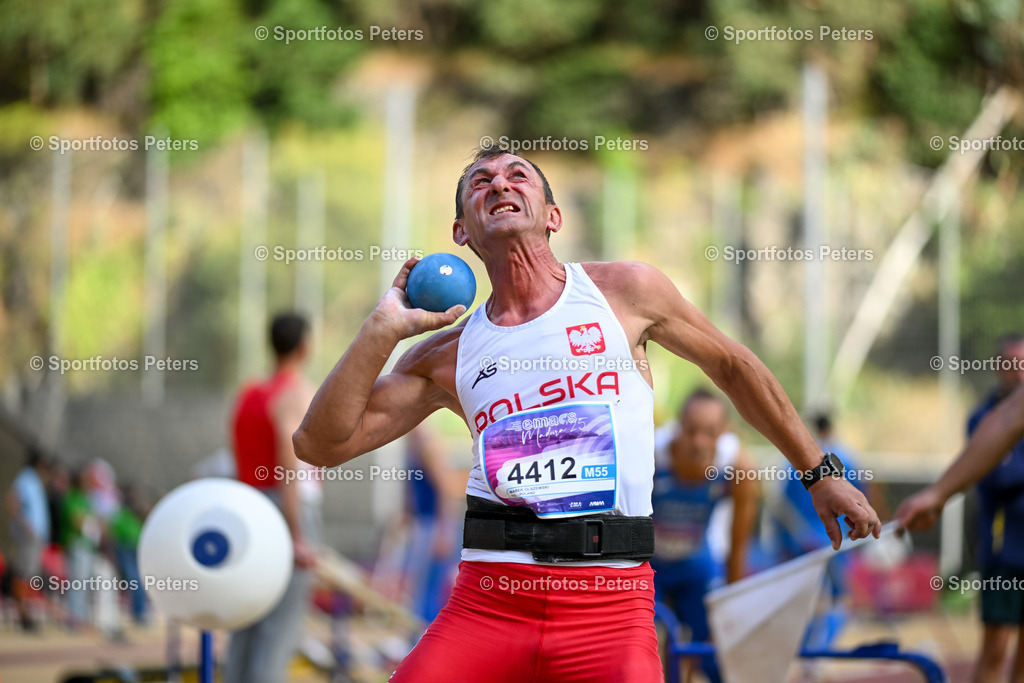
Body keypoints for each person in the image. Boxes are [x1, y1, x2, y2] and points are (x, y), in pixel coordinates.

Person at [294, 145, 881, 682]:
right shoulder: (448, 354)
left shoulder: (625, 294)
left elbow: (732, 366)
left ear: (552, 215)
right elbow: (319, 445)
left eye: (517, 176)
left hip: (610, 602)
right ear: (461, 232)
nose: (499, 184)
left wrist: (818, 470)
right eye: (481, 182)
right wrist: (382, 330)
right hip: (490, 600)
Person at [900, 335, 1024, 683]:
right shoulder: (987, 417)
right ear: (998, 367)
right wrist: (938, 493)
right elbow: (1000, 474)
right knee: (996, 647)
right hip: (1006, 550)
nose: (1019, 372)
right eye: (1012, 364)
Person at [225, 312, 321, 683]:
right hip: (286, 509)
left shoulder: (248, 393)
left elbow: (238, 457)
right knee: (278, 630)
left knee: (246, 620)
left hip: (249, 509)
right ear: (305, 346)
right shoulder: (295, 394)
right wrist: (296, 532)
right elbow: (289, 467)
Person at [650, 388, 758, 683]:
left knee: (714, 653)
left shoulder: (738, 467)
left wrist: (732, 605)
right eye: (691, 431)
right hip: (649, 564)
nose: (699, 442)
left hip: (697, 562)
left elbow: (739, 545)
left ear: (724, 433)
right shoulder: (651, 455)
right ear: (677, 427)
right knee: (645, 651)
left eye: (710, 433)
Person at [6, 447, 50, 632]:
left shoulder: (34, 480)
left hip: (34, 537)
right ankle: (22, 615)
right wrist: (25, 525)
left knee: (30, 575)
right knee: (24, 575)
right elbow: (11, 501)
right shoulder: (26, 478)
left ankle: (27, 613)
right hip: (28, 537)